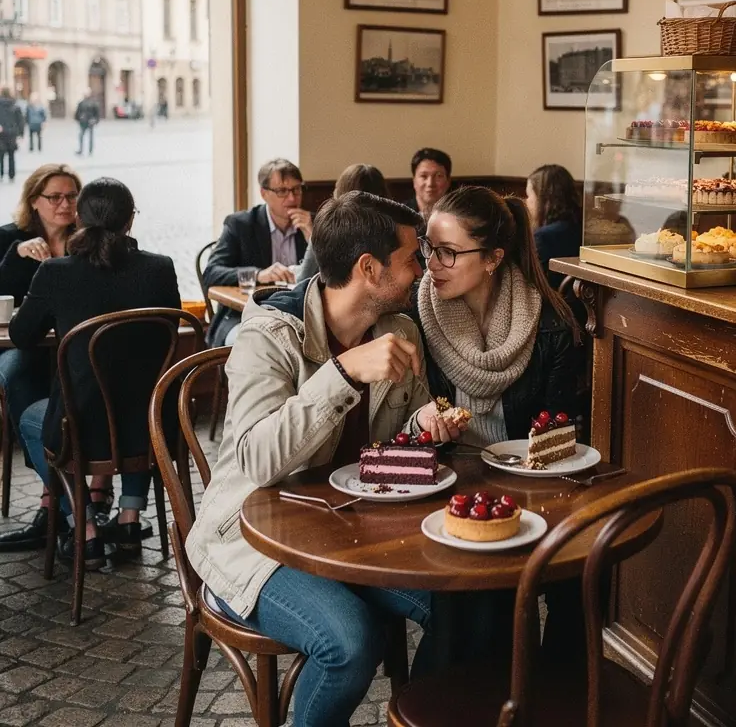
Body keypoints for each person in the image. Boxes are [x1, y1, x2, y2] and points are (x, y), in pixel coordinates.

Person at [187, 192, 459, 727]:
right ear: (368, 268)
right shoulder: (269, 334)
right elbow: (258, 459)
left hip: (352, 530)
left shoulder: (398, 331)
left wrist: (423, 429)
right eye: (412, 259)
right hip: (254, 540)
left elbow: (388, 447)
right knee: (350, 642)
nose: (422, 270)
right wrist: (344, 374)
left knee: (467, 600)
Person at [413, 185, 581, 662]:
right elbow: (401, 424)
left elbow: (562, 433)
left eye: (448, 253)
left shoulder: (548, 323)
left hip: (523, 493)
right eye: (429, 248)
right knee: (484, 607)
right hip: (439, 490)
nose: (431, 264)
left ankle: (547, 696)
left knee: (576, 582)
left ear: (492, 258)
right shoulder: (414, 313)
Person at [5, 178, 180, 570]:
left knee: (33, 418)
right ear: (129, 221)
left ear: (80, 220)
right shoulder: (159, 268)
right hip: (150, 422)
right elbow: (167, 330)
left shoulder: (56, 272)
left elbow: (21, 335)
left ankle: (84, 529)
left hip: (80, 424)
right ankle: (130, 520)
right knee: (138, 399)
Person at [0, 164, 84, 552]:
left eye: (72, 196)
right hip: (24, 348)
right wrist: (16, 255)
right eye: (55, 197)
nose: (65, 204)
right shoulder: (9, 239)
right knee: (15, 373)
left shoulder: (88, 240)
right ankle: (60, 489)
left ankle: (64, 507)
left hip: (75, 353)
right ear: (35, 201)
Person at [203, 158, 311, 347]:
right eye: (282, 191)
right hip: (244, 316)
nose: (292, 198)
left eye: (296, 189)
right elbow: (211, 272)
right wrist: (259, 274)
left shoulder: (313, 224)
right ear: (264, 193)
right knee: (257, 346)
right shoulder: (241, 224)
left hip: (300, 316)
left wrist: (314, 240)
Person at [296, 164, 389, 282]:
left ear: (340, 193)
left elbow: (303, 278)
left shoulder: (327, 231)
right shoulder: (396, 231)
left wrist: (292, 270)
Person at [525, 164, 582, 294]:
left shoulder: (543, 238)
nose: (527, 201)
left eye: (529, 195)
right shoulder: (583, 228)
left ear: (543, 199)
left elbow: (533, 288)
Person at [408, 147, 451, 218]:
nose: (430, 183)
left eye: (438, 176)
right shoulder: (397, 214)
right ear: (414, 180)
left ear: (448, 181)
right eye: (423, 176)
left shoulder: (460, 215)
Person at [0, 88, 23, 181]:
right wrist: (21, 134)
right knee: (11, 155)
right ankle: (11, 174)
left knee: (0, 155)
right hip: (12, 134)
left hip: (1, 133)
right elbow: (20, 121)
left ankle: (1, 173)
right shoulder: (15, 105)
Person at [74, 91, 100, 157]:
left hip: (90, 122)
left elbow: (97, 113)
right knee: (81, 136)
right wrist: (78, 119)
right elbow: (77, 112)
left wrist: (95, 121)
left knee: (90, 137)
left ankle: (90, 151)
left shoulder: (93, 103)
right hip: (83, 122)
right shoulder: (81, 103)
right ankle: (81, 150)